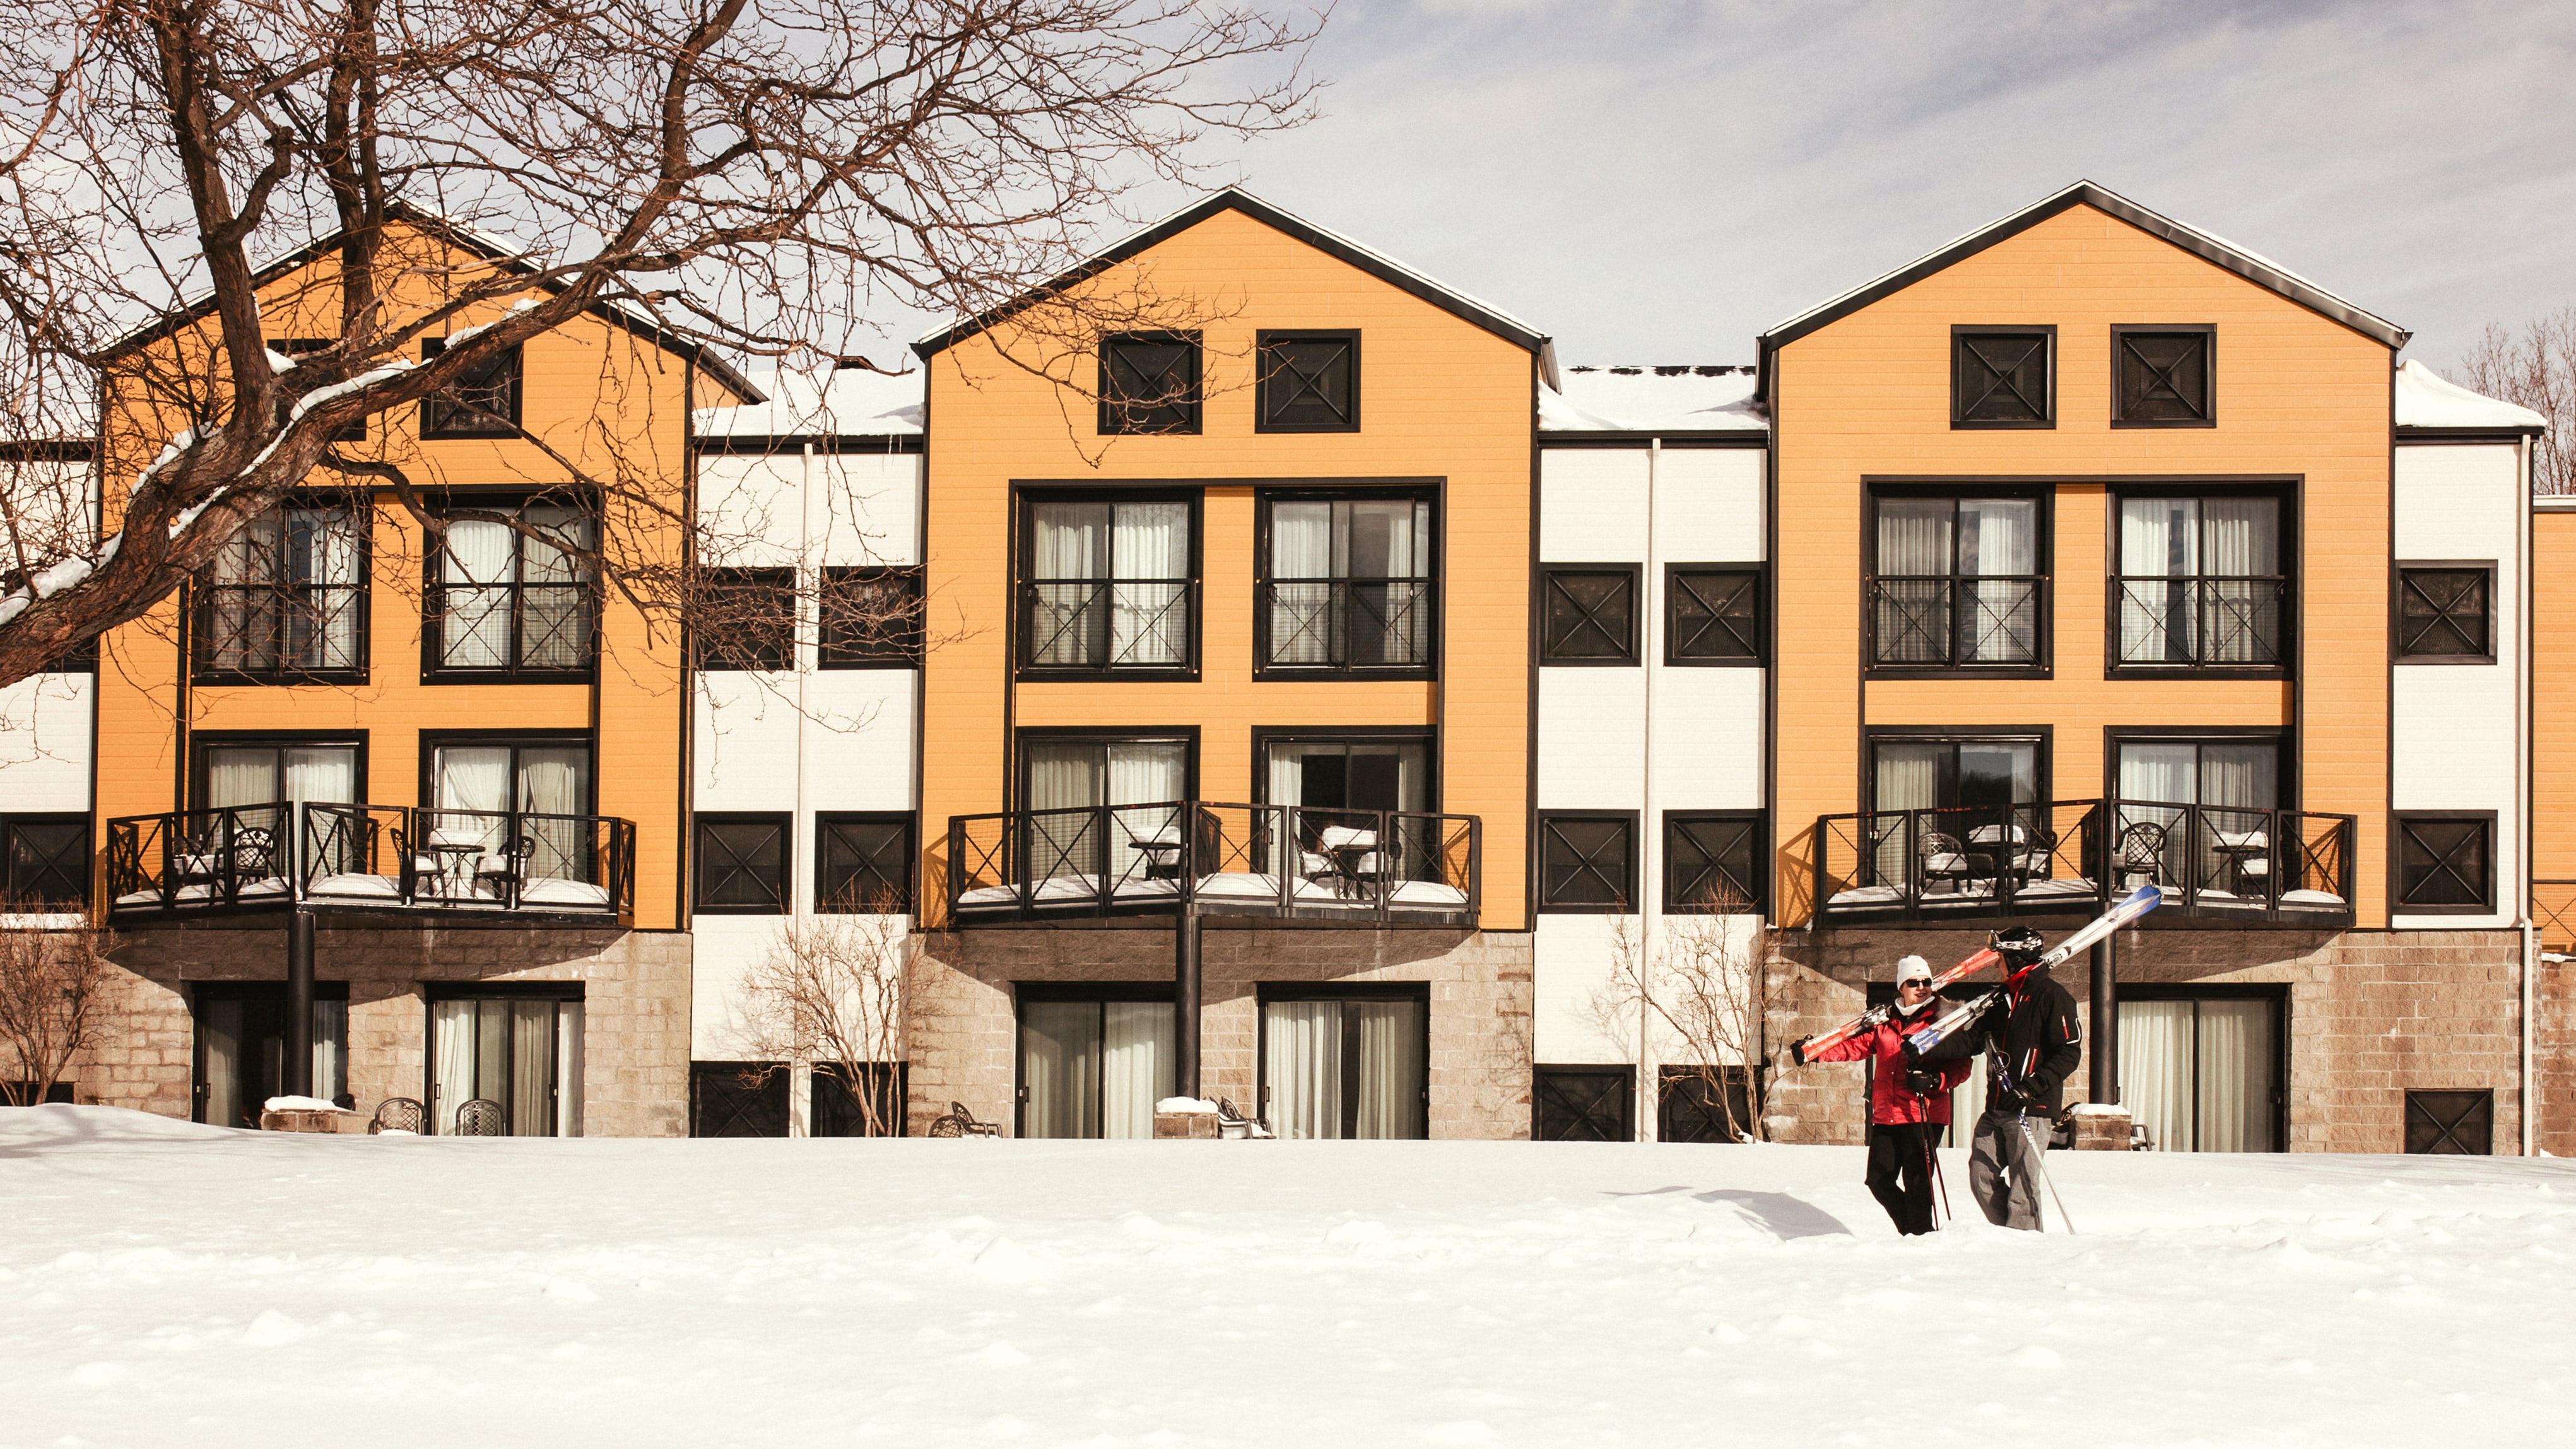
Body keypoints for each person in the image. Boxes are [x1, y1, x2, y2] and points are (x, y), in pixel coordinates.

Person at [1914, 925, 2081, 1231]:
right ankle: (2013, 1236)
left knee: (2023, 1186)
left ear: (2017, 958)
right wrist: (1926, 1048)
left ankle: (2024, 1248)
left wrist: (2029, 1089)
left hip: (2032, 1108)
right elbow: (1973, 1041)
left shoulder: (2054, 997)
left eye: (2001, 957)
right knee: (1981, 1174)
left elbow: (2069, 1053)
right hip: (1998, 1105)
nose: (1995, 963)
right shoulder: (2001, 999)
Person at [1790, 954, 1968, 1235]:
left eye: (1926, 982)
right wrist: (1816, 1052)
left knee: (1918, 1181)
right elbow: (1855, 1046)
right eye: (1914, 982)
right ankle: (1915, 1233)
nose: (1921, 987)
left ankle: (1920, 1237)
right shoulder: (1886, 1022)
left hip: (1923, 1113)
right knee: (1879, 1180)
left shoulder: (1941, 1020)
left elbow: (1962, 1065)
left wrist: (1936, 1080)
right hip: (1887, 1115)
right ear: (1901, 987)